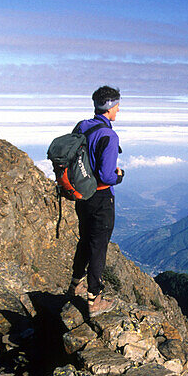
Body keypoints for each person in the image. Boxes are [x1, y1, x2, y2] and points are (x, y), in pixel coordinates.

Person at [68, 86, 124, 316]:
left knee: (85, 240)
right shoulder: (109, 136)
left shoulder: (82, 126)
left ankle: (74, 286)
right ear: (110, 107)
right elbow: (108, 175)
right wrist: (120, 175)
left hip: (82, 196)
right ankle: (94, 300)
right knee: (98, 246)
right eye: (117, 106)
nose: (118, 110)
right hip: (101, 197)